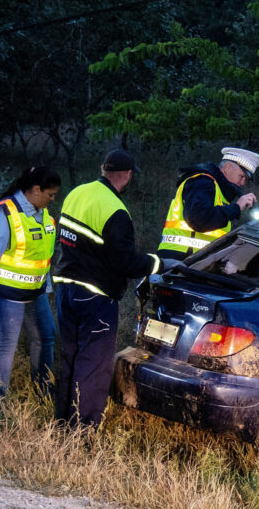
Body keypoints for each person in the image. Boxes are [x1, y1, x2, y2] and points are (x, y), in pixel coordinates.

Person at [53, 149, 176, 429]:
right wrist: (159, 263)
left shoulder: (77, 193)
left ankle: (62, 423)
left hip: (64, 288)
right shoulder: (116, 210)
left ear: (102, 168)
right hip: (95, 297)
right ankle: (82, 431)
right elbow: (126, 263)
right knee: (94, 365)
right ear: (128, 175)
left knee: (70, 358)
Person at [0, 166, 60, 398]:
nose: (52, 199)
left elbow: (43, 256)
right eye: (50, 194)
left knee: (46, 335)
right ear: (35, 190)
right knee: (5, 345)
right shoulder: (5, 214)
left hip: (34, 292)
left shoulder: (44, 215)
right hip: (5, 293)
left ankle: (44, 392)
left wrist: (46, 286)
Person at [156, 147, 259, 260]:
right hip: (181, 260)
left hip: (195, 260)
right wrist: (236, 207)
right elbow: (199, 219)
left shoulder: (219, 191)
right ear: (227, 167)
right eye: (241, 176)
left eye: (245, 179)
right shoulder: (202, 182)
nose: (242, 183)